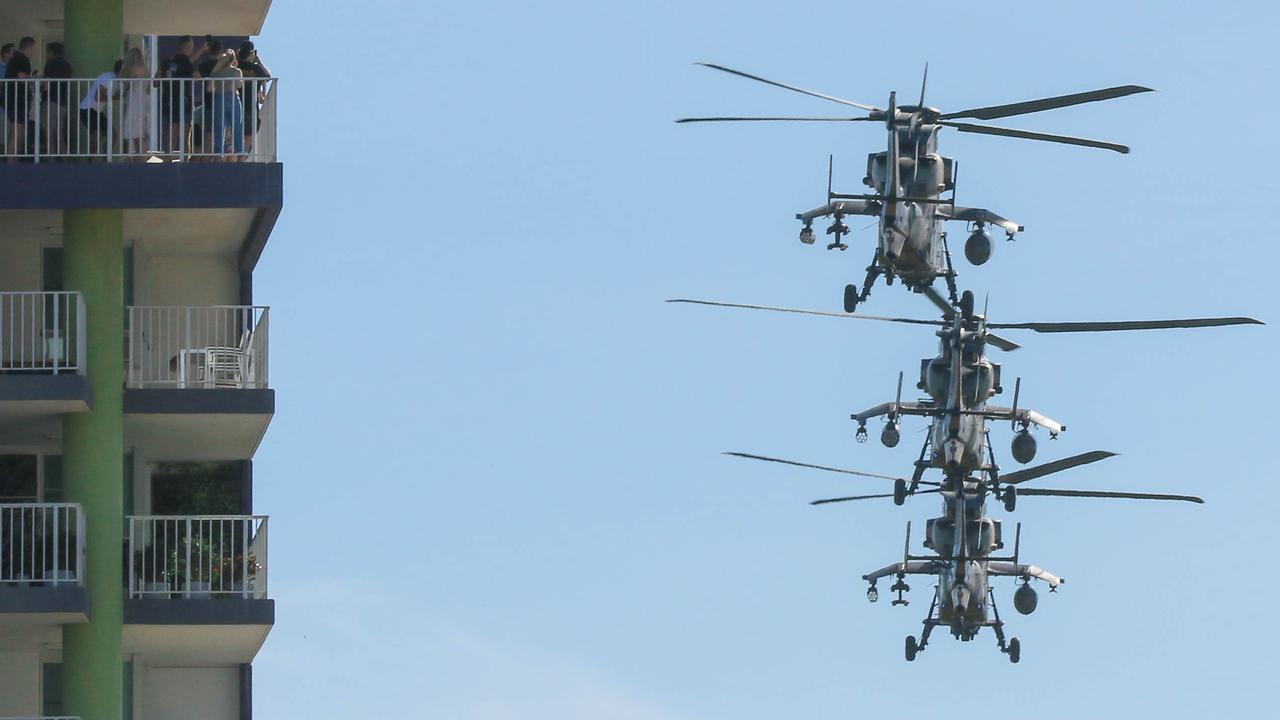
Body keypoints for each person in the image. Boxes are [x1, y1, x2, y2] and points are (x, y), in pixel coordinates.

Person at [159, 35, 207, 156]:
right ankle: (186, 163)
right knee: (186, 135)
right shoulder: (187, 64)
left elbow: (155, 81)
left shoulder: (167, 62)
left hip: (168, 100)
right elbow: (197, 76)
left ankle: (168, 161)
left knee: (171, 133)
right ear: (189, 47)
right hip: (183, 101)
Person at [78, 60, 121, 157]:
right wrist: (116, 97)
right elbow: (98, 97)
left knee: (112, 133)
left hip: (96, 110)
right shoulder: (109, 77)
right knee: (97, 134)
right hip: (87, 108)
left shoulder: (116, 80)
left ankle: (105, 157)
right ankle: (91, 161)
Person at [236, 40, 270, 157]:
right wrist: (258, 61)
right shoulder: (255, 68)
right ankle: (244, 157)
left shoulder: (236, 67)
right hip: (250, 106)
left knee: (237, 133)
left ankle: (239, 155)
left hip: (237, 103)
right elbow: (267, 76)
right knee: (249, 134)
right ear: (251, 53)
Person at [208, 50, 243, 160]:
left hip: (219, 97)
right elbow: (239, 85)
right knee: (236, 125)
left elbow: (210, 88)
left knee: (219, 127)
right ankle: (239, 151)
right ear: (233, 60)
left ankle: (218, 153)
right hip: (232, 97)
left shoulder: (216, 73)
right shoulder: (236, 71)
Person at [4, 37, 35, 158]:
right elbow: (22, 77)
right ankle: (12, 164)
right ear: (29, 47)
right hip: (17, 100)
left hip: (15, 99)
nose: (34, 52)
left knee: (18, 131)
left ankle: (13, 161)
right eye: (33, 48)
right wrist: (34, 81)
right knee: (18, 131)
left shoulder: (16, 58)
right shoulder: (22, 59)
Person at [42, 42, 74, 157]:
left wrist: (39, 86)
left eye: (48, 52)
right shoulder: (67, 65)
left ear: (51, 52)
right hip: (63, 103)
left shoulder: (50, 65)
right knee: (59, 132)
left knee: (48, 133)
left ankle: (51, 160)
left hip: (51, 102)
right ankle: (64, 158)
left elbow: (46, 85)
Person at [121, 48, 150, 158]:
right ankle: (140, 157)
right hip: (142, 98)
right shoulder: (145, 69)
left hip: (135, 100)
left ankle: (136, 157)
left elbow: (124, 79)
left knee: (133, 129)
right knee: (139, 131)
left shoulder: (132, 69)